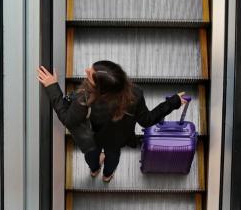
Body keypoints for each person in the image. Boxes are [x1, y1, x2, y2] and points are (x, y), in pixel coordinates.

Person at [37, 60, 187, 182]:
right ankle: (107, 176)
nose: (87, 71)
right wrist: (173, 103)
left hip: (92, 140)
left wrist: (52, 88)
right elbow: (147, 120)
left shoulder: (84, 100)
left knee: (92, 156)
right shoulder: (135, 94)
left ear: (100, 87)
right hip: (117, 140)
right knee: (113, 156)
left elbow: (68, 119)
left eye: (91, 75)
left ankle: (95, 170)